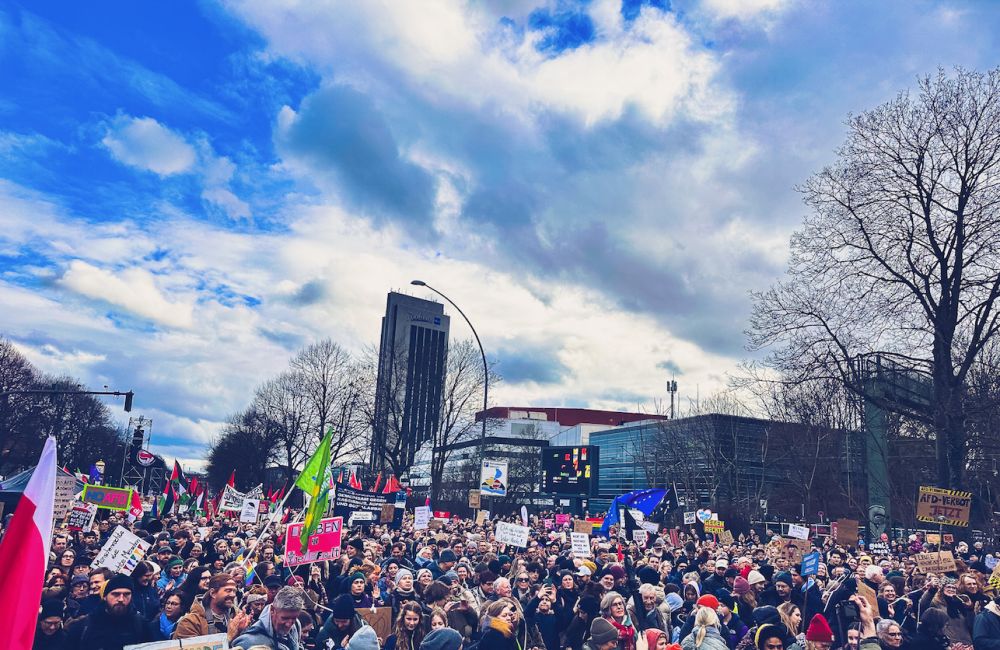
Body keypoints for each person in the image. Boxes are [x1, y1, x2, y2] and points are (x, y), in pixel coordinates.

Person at [64, 574, 150, 650]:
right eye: (115, 594)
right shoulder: (83, 626)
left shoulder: (141, 625)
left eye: (126, 594)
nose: (121, 599)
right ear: (104, 597)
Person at [174, 574, 250, 640]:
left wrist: (241, 631)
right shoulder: (190, 622)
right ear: (213, 593)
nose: (233, 595)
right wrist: (228, 638)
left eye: (234, 591)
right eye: (228, 590)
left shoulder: (237, 616)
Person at [232, 585, 306, 649]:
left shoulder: (296, 626)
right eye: (284, 618)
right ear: (272, 610)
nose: (288, 624)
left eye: (294, 618)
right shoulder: (249, 642)